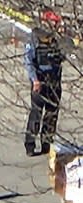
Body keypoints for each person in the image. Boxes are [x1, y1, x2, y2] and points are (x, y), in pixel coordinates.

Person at [24, 12, 65, 157]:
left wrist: (64, 39)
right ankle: (30, 144)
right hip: (40, 81)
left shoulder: (58, 39)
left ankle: (47, 143)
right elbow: (29, 61)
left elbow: (68, 51)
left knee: (51, 114)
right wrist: (35, 80)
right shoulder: (35, 38)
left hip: (54, 81)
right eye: (54, 22)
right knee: (36, 114)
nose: (56, 25)